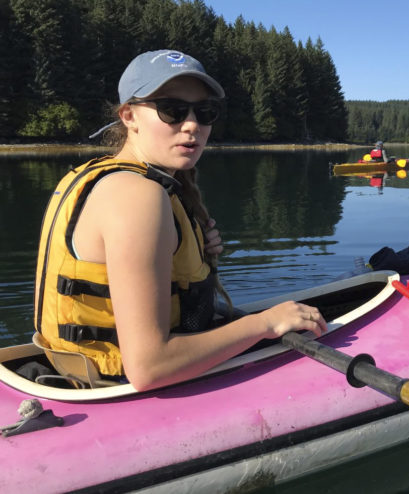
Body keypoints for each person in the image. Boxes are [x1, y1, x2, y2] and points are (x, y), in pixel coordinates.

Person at [33, 50, 326, 391]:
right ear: (129, 115)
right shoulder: (137, 195)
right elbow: (149, 367)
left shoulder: (104, 176)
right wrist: (266, 323)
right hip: (110, 388)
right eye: (171, 109)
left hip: (68, 371)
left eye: (205, 112)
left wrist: (188, 252)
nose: (192, 125)